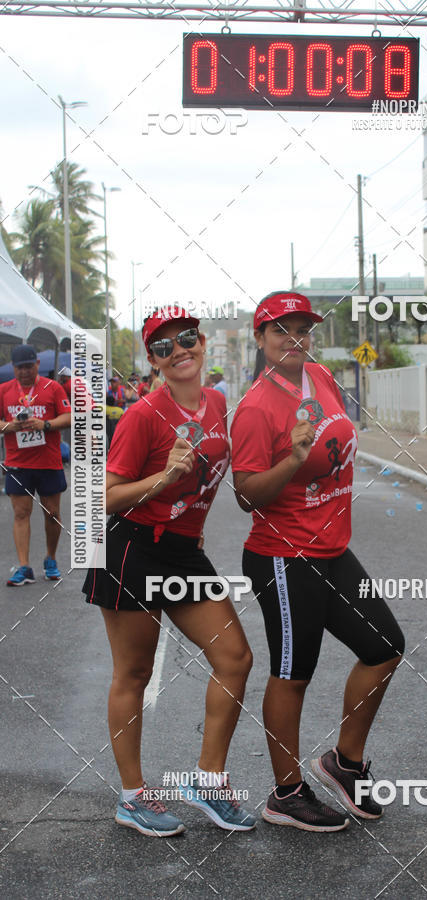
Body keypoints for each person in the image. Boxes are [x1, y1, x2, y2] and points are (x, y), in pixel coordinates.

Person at [230, 291, 405, 832]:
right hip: (284, 557)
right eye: (280, 329)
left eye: (303, 328)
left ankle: (344, 763)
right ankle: (286, 793)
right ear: (260, 338)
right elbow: (245, 495)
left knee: (384, 647)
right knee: (293, 674)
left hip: (332, 550)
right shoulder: (256, 406)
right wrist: (294, 459)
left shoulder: (322, 378)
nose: (294, 338)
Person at [82, 307, 255, 837]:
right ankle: (133, 797)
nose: (178, 350)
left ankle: (208, 781)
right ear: (153, 360)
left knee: (235, 658)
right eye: (163, 346)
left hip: (181, 552)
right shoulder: (142, 415)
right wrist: (162, 478)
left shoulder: (217, 403)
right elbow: (102, 497)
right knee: (134, 673)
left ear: (202, 343)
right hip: (132, 549)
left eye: (186, 338)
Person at [0, 344, 71, 585]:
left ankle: (51, 558)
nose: (24, 372)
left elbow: (69, 416)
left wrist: (46, 425)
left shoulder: (53, 388)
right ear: (13, 368)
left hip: (48, 462)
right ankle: (24, 567)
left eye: (29, 366)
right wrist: (9, 426)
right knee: (21, 513)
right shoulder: (4, 390)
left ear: (37, 365)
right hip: (17, 463)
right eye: (20, 367)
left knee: (52, 513)